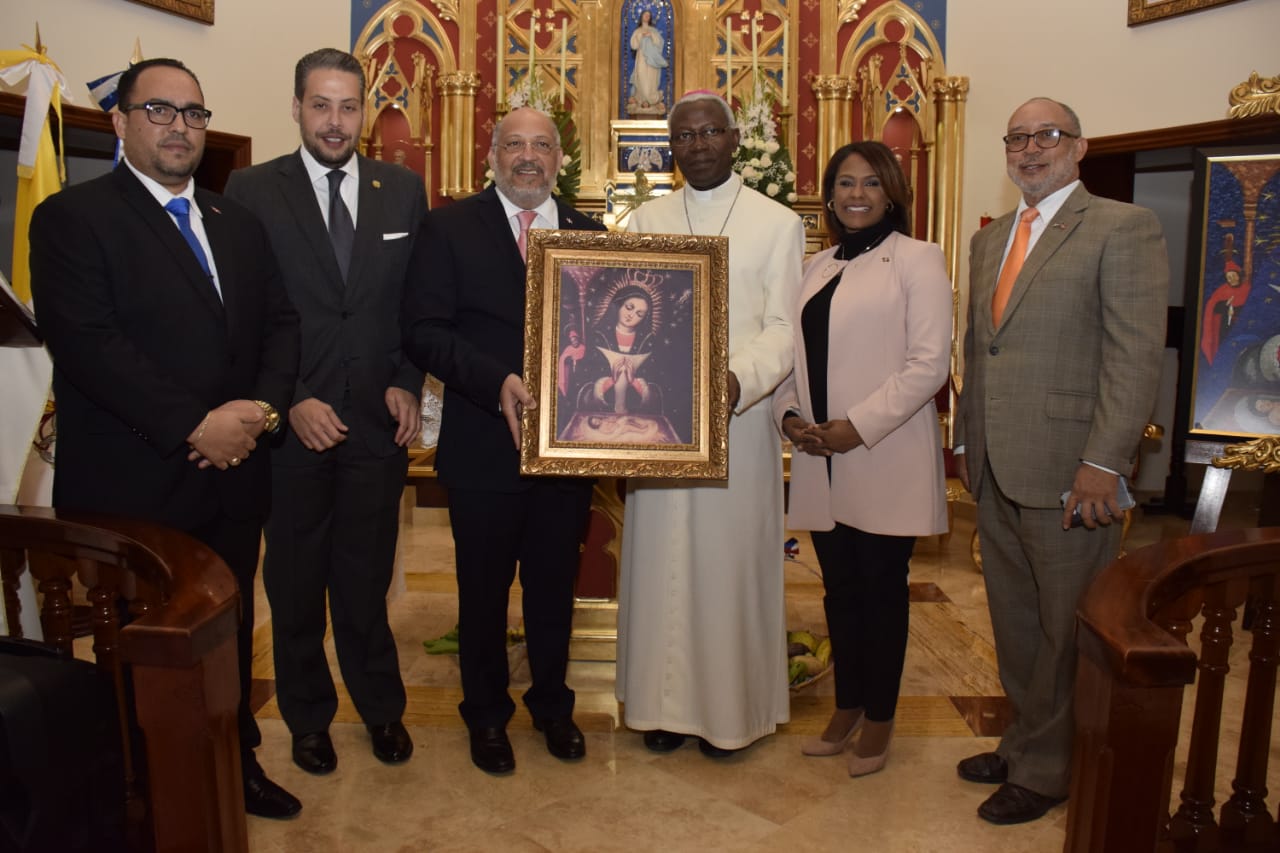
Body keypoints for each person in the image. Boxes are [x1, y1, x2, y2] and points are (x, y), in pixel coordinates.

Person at [28, 58, 302, 819]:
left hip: (235, 475)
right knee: (138, 646)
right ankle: (139, 786)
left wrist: (261, 412)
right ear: (120, 121)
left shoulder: (235, 222)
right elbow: (89, 344)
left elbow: (281, 325)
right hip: (135, 483)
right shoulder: (73, 218)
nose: (180, 127)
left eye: (193, 113)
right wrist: (195, 425)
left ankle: (234, 762)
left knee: (228, 631)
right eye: (159, 110)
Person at [953, 97, 1167, 824]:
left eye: (1047, 135)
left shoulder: (1122, 227)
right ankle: (1024, 742)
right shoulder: (989, 240)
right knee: (1016, 622)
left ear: (1079, 147)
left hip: (1072, 470)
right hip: (996, 464)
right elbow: (979, 350)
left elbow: (1134, 355)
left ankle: (1050, 770)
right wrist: (965, 442)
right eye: (1017, 138)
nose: (1030, 148)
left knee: (1066, 628)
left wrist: (1104, 461)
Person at [223, 48, 425, 777]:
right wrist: (289, 399)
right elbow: (241, 313)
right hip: (291, 431)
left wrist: (407, 379)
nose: (335, 121)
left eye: (347, 106)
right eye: (320, 105)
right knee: (296, 584)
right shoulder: (250, 190)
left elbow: (417, 304)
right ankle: (308, 717)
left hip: (377, 425)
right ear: (296, 107)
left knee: (366, 580)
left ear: (364, 111)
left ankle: (381, 708)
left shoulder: (403, 190)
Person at [401, 107, 605, 774]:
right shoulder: (449, 227)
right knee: (483, 593)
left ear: (558, 160)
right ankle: (486, 714)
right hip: (484, 442)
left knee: (553, 587)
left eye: (541, 145)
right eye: (514, 143)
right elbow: (424, 330)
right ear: (491, 156)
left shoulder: (589, 235)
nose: (528, 156)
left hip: (567, 450)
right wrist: (496, 381)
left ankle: (552, 706)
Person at [618, 90, 804, 756]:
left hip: (736, 420)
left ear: (733, 139)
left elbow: (783, 327)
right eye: (683, 136)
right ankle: (659, 708)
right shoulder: (645, 221)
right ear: (670, 148)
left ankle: (728, 715)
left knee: (728, 566)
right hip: (659, 422)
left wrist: (734, 379)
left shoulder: (777, 223)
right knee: (659, 562)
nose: (697, 145)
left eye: (709, 133)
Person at [773, 141, 951, 776]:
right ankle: (846, 705)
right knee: (840, 593)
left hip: (883, 454)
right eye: (845, 183)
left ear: (892, 192)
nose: (856, 194)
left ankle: (879, 716)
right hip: (821, 455)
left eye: (871, 183)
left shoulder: (919, 260)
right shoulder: (815, 267)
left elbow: (929, 364)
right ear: (829, 195)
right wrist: (789, 417)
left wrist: (858, 425)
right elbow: (794, 360)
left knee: (881, 593)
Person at [582, 285, 657, 414]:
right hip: (602, 415)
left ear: (644, 318)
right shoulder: (599, 337)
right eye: (629, 307)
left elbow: (658, 386)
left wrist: (635, 382)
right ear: (618, 305)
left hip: (636, 416)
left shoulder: (648, 342)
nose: (631, 315)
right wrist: (609, 382)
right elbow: (584, 380)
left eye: (639, 314)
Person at [628, 10, 668, 113]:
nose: (647, 17)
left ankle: (652, 100)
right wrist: (641, 36)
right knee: (641, 78)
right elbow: (633, 45)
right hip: (641, 58)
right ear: (641, 16)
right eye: (645, 15)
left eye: (648, 15)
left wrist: (651, 35)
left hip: (652, 62)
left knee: (651, 80)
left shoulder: (654, 31)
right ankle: (641, 99)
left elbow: (660, 43)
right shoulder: (637, 31)